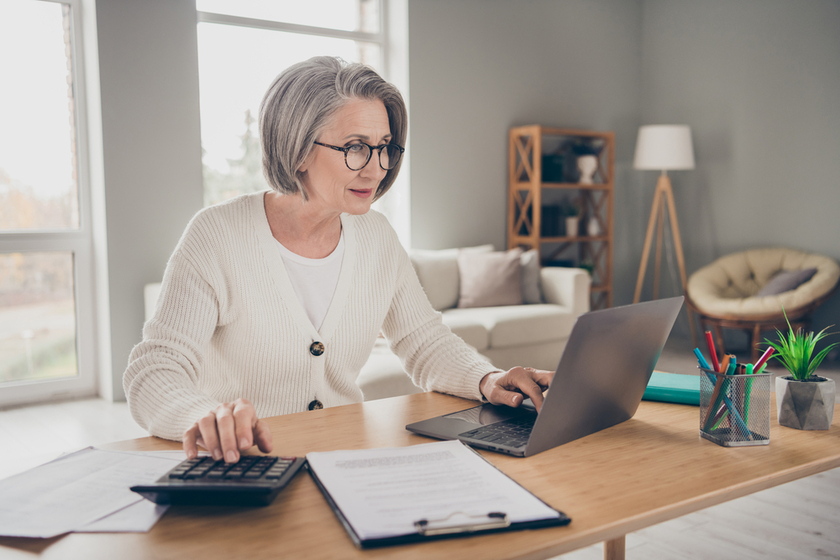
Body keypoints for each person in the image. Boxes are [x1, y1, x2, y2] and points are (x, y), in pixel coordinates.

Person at [123, 56, 553, 464]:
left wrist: (488, 380)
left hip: (348, 458)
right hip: (248, 465)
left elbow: (424, 342)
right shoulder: (216, 236)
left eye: (384, 146)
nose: (376, 168)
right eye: (355, 147)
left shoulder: (376, 237)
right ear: (297, 150)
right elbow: (155, 370)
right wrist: (204, 416)